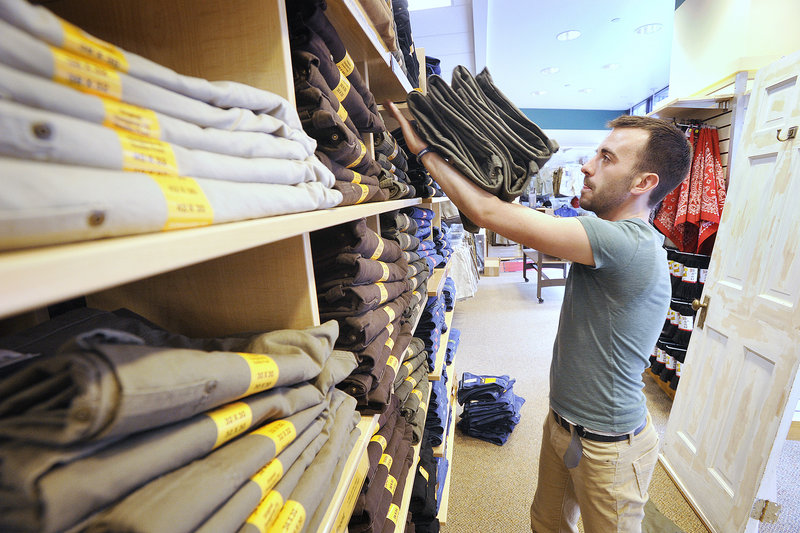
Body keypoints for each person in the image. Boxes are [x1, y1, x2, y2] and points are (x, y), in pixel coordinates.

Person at [385, 103, 692, 533]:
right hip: (564, 424)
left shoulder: (626, 243)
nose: (587, 166)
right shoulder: (605, 231)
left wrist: (425, 151)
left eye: (606, 158)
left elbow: (489, 214)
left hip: (610, 447)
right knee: (546, 524)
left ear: (644, 183)